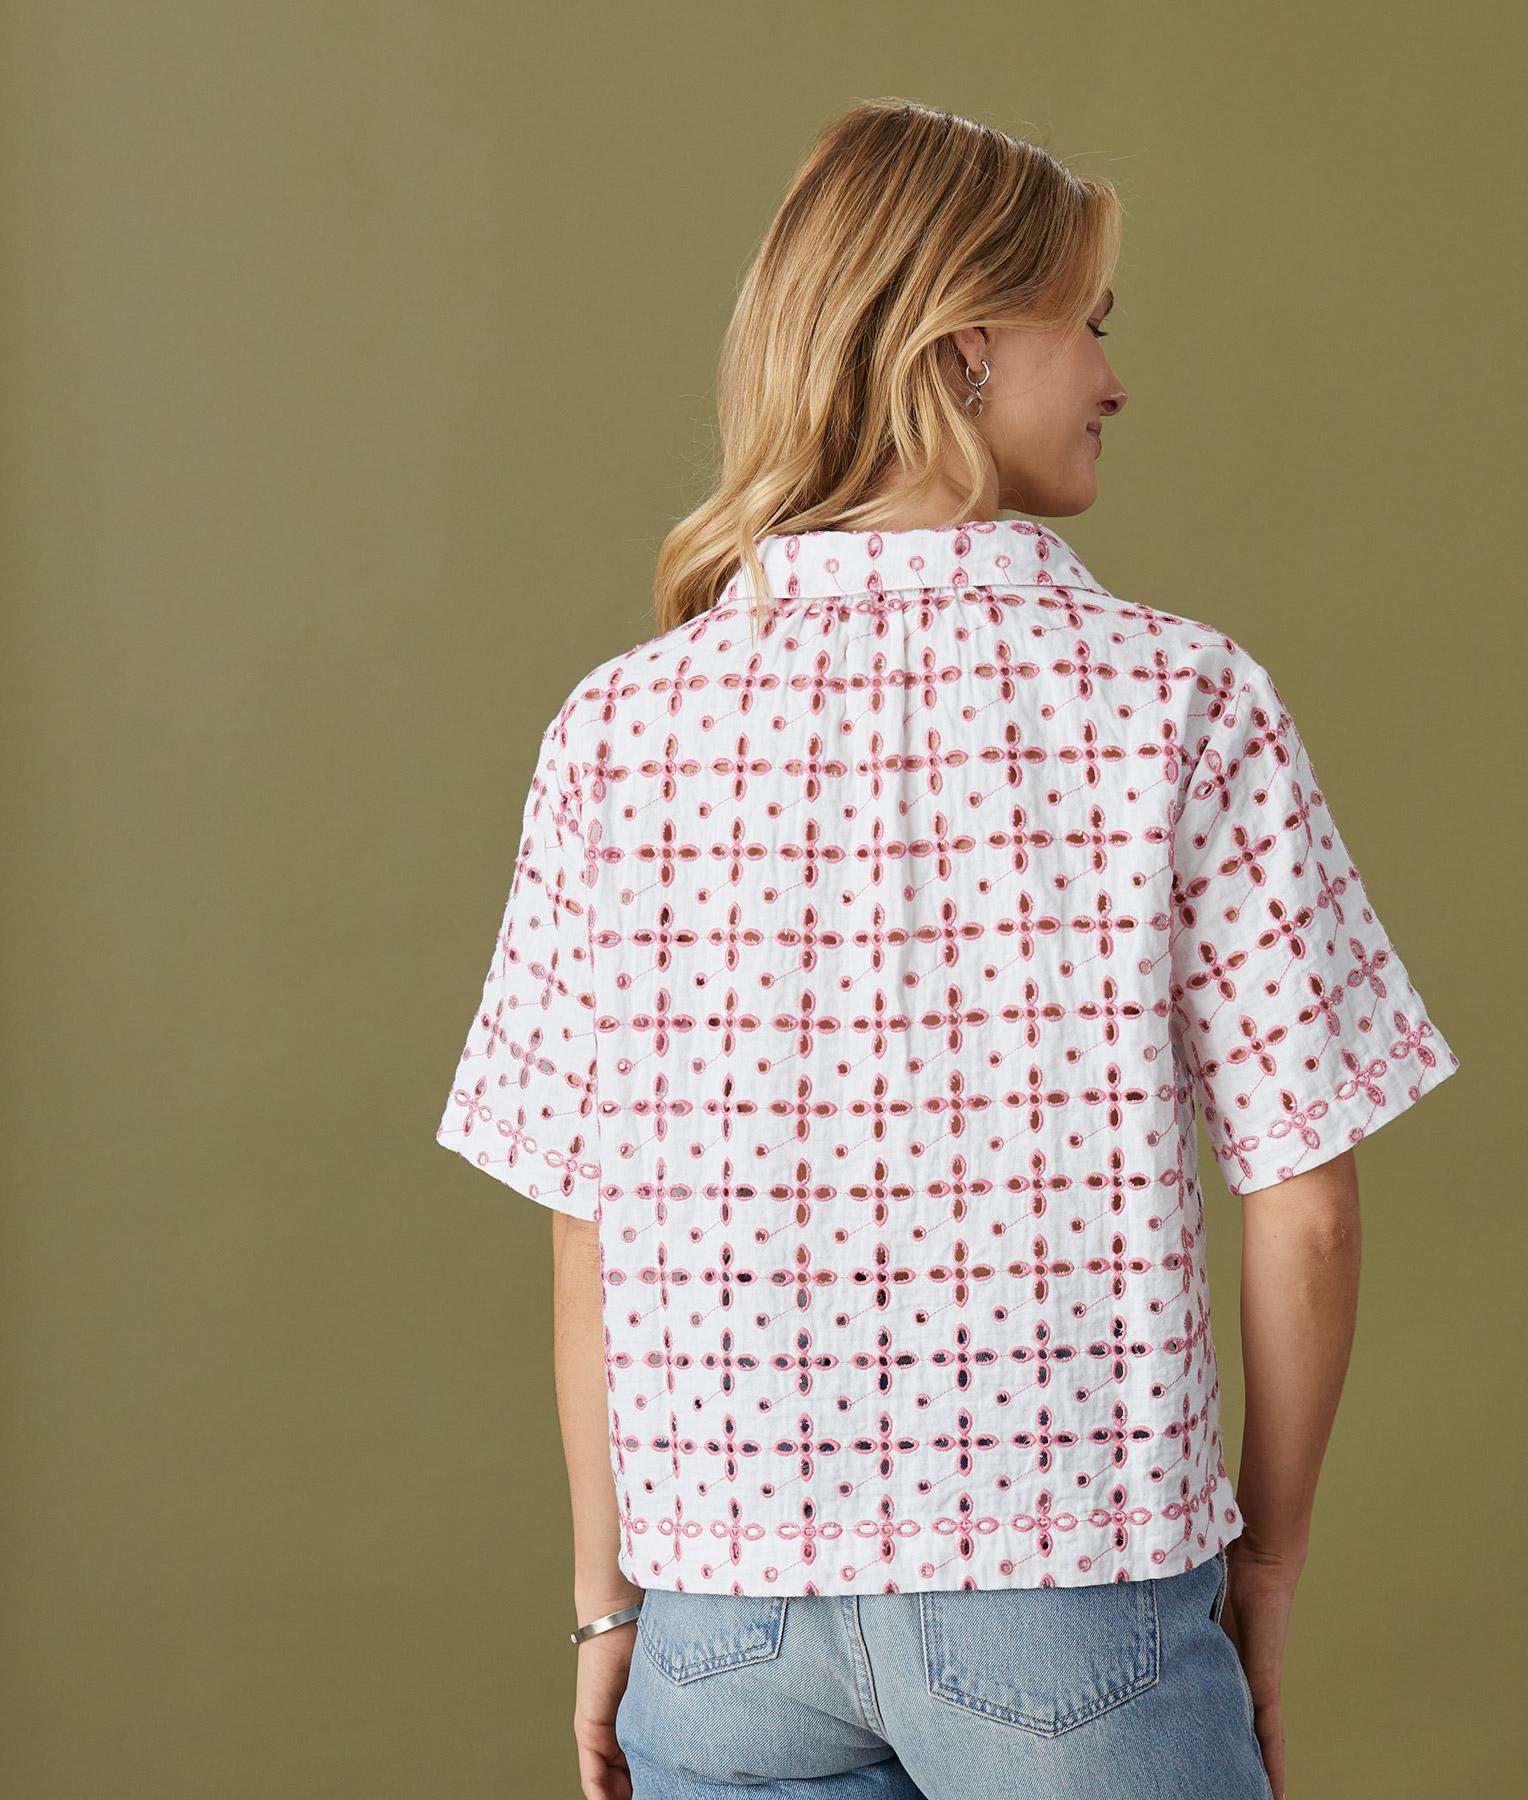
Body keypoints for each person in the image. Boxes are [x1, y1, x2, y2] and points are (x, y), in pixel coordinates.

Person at [435, 99, 1458, 1800]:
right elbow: (1309, 1200)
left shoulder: (617, 731)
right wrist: (1267, 1569)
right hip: (1074, 1586)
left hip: (723, 1618)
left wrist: (605, 1602)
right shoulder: (1183, 702)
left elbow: (589, 1219)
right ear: (965, 347)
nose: (1117, 378)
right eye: (1092, 324)